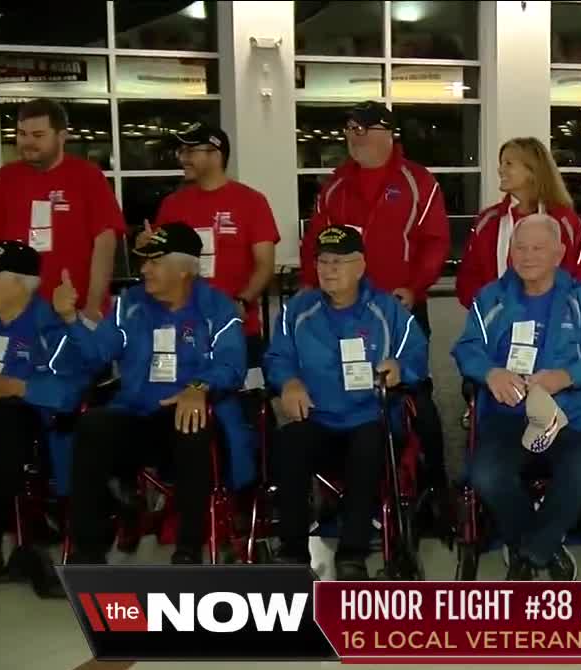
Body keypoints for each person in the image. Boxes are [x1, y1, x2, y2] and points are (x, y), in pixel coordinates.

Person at [60, 223, 250, 565]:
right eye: (144, 261)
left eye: (154, 262)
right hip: (135, 414)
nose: (144, 269)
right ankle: (88, 549)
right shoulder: (129, 305)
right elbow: (95, 355)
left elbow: (232, 364)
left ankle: (189, 546)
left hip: (186, 416)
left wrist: (198, 388)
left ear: (183, 269)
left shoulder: (217, 308)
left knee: (191, 423)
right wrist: (71, 319)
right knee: (92, 426)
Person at [452, 214, 581, 580]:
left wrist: (566, 377)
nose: (527, 256)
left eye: (538, 248)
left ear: (559, 253)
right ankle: (541, 546)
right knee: (485, 474)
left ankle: (530, 552)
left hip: (568, 417)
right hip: (505, 416)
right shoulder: (491, 298)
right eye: (520, 247)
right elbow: (466, 349)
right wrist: (490, 372)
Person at [299, 101, 450, 499]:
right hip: (342, 311)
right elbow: (314, 243)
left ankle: (434, 485)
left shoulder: (419, 182)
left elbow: (435, 242)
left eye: (362, 130)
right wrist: (309, 288)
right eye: (349, 130)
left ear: (387, 133)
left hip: (400, 308)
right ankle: (347, 480)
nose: (354, 138)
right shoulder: (335, 186)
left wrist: (415, 286)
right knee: (342, 388)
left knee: (415, 394)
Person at [264, 225, 428, 580]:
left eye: (338, 262)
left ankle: (352, 551)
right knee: (288, 442)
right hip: (318, 419)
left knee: (369, 444)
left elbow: (416, 353)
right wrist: (288, 382)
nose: (328, 269)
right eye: (322, 261)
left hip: (370, 418)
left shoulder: (387, 310)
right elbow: (278, 356)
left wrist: (400, 367)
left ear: (361, 266)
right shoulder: (298, 310)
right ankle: (292, 550)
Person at [0, 242, 90, 595]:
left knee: (3, 416)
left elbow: (69, 392)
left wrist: (13, 386)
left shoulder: (50, 328)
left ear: (18, 284)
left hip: (36, 427)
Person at [139, 122, 279, 362]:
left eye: (191, 151)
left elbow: (265, 264)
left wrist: (242, 302)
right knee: (182, 397)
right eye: (181, 151)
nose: (183, 158)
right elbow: (159, 262)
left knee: (243, 396)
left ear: (216, 154)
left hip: (236, 328)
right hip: (182, 329)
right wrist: (146, 247)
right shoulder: (173, 204)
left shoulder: (251, 202)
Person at [0, 99, 126, 319]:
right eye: (22, 134)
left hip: (74, 312)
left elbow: (105, 244)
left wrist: (93, 306)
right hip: (18, 313)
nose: (27, 142)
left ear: (61, 136)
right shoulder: (7, 177)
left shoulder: (87, 176)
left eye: (38, 135)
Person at [456, 137, 581, 307]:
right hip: (498, 327)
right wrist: (489, 309)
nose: (500, 170)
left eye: (508, 163)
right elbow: (468, 278)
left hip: (556, 327)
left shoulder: (565, 221)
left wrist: (565, 315)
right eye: (501, 163)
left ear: (532, 171)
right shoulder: (488, 221)